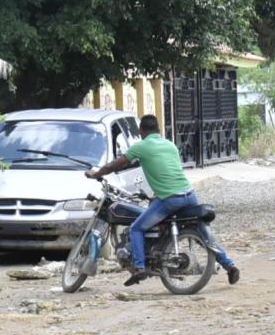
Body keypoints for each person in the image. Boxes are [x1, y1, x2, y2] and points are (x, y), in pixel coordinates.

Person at [85, 114, 240, 286]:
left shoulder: (141, 147)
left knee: (136, 228)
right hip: (189, 194)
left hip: (171, 199)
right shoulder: (170, 145)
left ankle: (140, 267)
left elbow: (114, 165)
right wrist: (155, 196)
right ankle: (229, 265)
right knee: (202, 230)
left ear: (141, 131)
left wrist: (96, 173)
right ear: (158, 129)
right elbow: (169, 173)